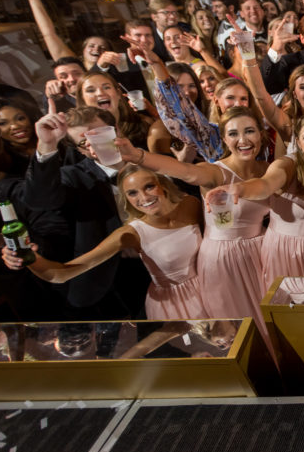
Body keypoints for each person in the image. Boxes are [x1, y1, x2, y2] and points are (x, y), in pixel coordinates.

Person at [115, 107, 269, 322]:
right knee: (244, 324)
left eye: (249, 131)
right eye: (233, 133)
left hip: (262, 251)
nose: (243, 140)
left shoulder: (267, 169)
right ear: (224, 139)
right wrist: (138, 156)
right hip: (226, 259)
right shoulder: (215, 172)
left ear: (261, 133)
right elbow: (186, 171)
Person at [2, 166, 208, 320]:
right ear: (126, 199)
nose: (144, 197)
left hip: (212, 287)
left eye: (149, 186)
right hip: (177, 304)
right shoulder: (130, 233)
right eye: (132, 193)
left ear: (162, 184)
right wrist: (28, 258)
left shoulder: (190, 204)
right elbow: (60, 274)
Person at [212, 114, 304, 302]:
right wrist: (239, 188)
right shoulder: (286, 164)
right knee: (286, 309)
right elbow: (266, 185)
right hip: (285, 252)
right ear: (298, 143)